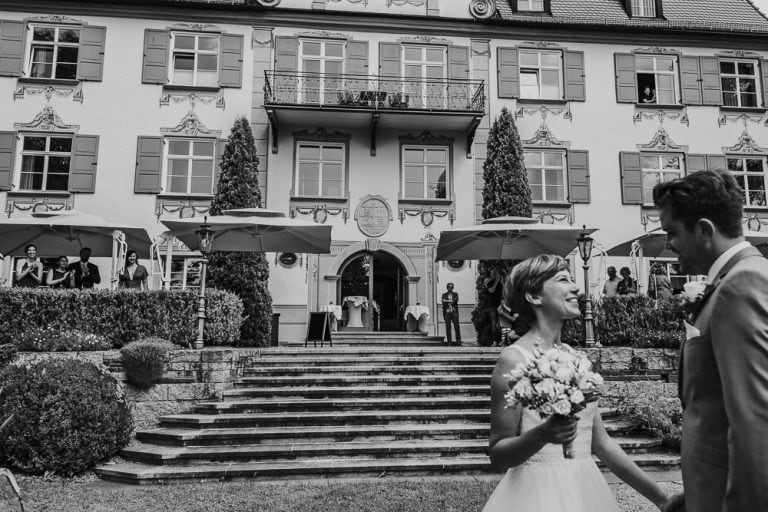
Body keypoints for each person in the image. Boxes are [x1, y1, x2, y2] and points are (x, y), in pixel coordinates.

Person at [483, 254, 670, 512]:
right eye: (563, 280)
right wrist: (542, 434)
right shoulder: (514, 360)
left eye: (572, 280)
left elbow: (601, 444)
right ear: (534, 296)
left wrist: (662, 499)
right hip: (537, 495)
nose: (576, 288)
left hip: (585, 487)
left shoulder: (575, 357)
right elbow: (499, 455)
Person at [654, 169, 768, 512]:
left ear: (704, 230)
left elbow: (755, 422)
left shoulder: (741, 285)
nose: (668, 245)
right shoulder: (738, 278)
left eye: (672, 232)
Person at [484, 268, 504, 346]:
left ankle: (502, 340)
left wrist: (501, 282)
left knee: (502, 324)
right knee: (494, 324)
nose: (494, 275)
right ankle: (495, 341)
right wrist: (496, 282)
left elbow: (505, 292)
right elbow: (491, 291)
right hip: (492, 306)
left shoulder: (500, 284)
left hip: (500, 305)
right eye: (493, 274)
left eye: (496, 274)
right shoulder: (490, 283)